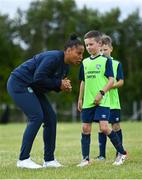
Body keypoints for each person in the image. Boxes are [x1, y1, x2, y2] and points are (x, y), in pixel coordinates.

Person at [7, 34, 84, 169]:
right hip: (19, 83)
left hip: (33, 87)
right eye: (78, 53)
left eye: (82, 54)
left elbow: (46, 85)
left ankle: (49, 160)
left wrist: (61, 86)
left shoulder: (65, 67)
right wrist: (58, 83)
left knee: (51, 118)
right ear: (69, 50)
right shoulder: (53, 58)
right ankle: (23, 159)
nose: (81, 57)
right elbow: (38, 78)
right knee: (36, 117)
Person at [77, 30, 127, 167]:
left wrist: (101, 93)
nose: (88, 48)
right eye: (86, 45)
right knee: (85, 128)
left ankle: (122, 153)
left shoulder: (106, 61)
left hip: (102, 100)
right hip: (88, 101)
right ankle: (85, 159)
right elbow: (83, 81)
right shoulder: (85, 62)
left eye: (91, 44)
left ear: (99, 44)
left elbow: (111, 80)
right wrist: (80, 99)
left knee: (104, 127)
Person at [96, 35, 125, 160]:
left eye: (105, 50)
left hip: (113, 102)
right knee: (102, 127)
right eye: (101, 50)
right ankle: (102, 155)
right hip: (101, 101)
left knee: (115, 126)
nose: (103, 52)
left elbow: (121, 81)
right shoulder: (97, 63)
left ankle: (119, 152)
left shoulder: (116, 64)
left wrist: (110, 86)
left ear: (111, 49)